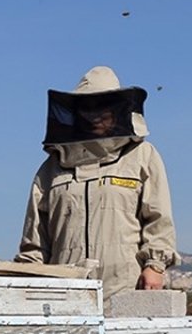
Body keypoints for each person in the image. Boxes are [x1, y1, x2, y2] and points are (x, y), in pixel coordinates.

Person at [15, 65, 179, 298]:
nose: (94, 116)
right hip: (64, 293)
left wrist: (155, 266)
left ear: (117, 110)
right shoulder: (50, 169)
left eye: (102, 107)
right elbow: (35, 241)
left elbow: (158, 218)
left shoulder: (142, 156)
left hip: (126, 289)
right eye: (88, 108)